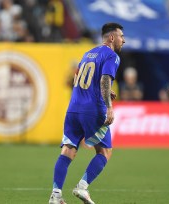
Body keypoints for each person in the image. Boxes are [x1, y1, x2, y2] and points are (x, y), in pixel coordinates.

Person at [49, 22, 125, 204]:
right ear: (112, 37)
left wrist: (103, 91)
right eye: (122, 37)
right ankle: (82, 187)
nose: (124, 40)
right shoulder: (112, 56)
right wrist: (109, 106)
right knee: (105, 151)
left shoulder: (88, 53)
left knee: (68, 150)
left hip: (74, 107)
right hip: (92, 110)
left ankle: (55, 195)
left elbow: (80, 79)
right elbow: (105, 79)